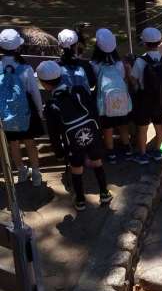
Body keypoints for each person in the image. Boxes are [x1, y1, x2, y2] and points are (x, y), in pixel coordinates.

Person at [37, 60, 112, 211]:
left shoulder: (51, 105)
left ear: (44, 84)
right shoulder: (79, 91)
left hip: (72, 142)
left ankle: (80, 201)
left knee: (76, 169)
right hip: (91, 134)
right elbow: (93, 111)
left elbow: (53, 133)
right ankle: (104, 193)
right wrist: (98, 133)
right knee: (97, 162)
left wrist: (59, 152)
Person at [0, 28, 43, 186]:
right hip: (26, 111)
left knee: (13, 143)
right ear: (18, 47)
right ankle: (36, 173)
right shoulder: (25, 68)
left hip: (6, 112)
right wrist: (40, 110)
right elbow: (34, 92)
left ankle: (21, 171)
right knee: (30, 142)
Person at [131, 27, 162, 164]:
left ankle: (143, 154)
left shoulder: (140, 61)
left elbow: (133, 79)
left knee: (142, 128)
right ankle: (157, 151)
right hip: (160, 99)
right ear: (160, 42)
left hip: (144, 99)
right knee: (159, 126)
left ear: (144, 43)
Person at [91, 28, 132, 164]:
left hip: (104, 102)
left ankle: (111, 151)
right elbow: (123, 77)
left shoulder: (95, 64)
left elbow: (95, 81)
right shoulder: (119, 63)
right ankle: (127, 148)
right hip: (120, 99)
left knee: (107, 127)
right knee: (123, 124)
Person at [57, 28, 96, 94]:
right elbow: (92, 83)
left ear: (59, 46)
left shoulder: (55, 66)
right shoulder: (86, 66)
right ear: (76, 46)